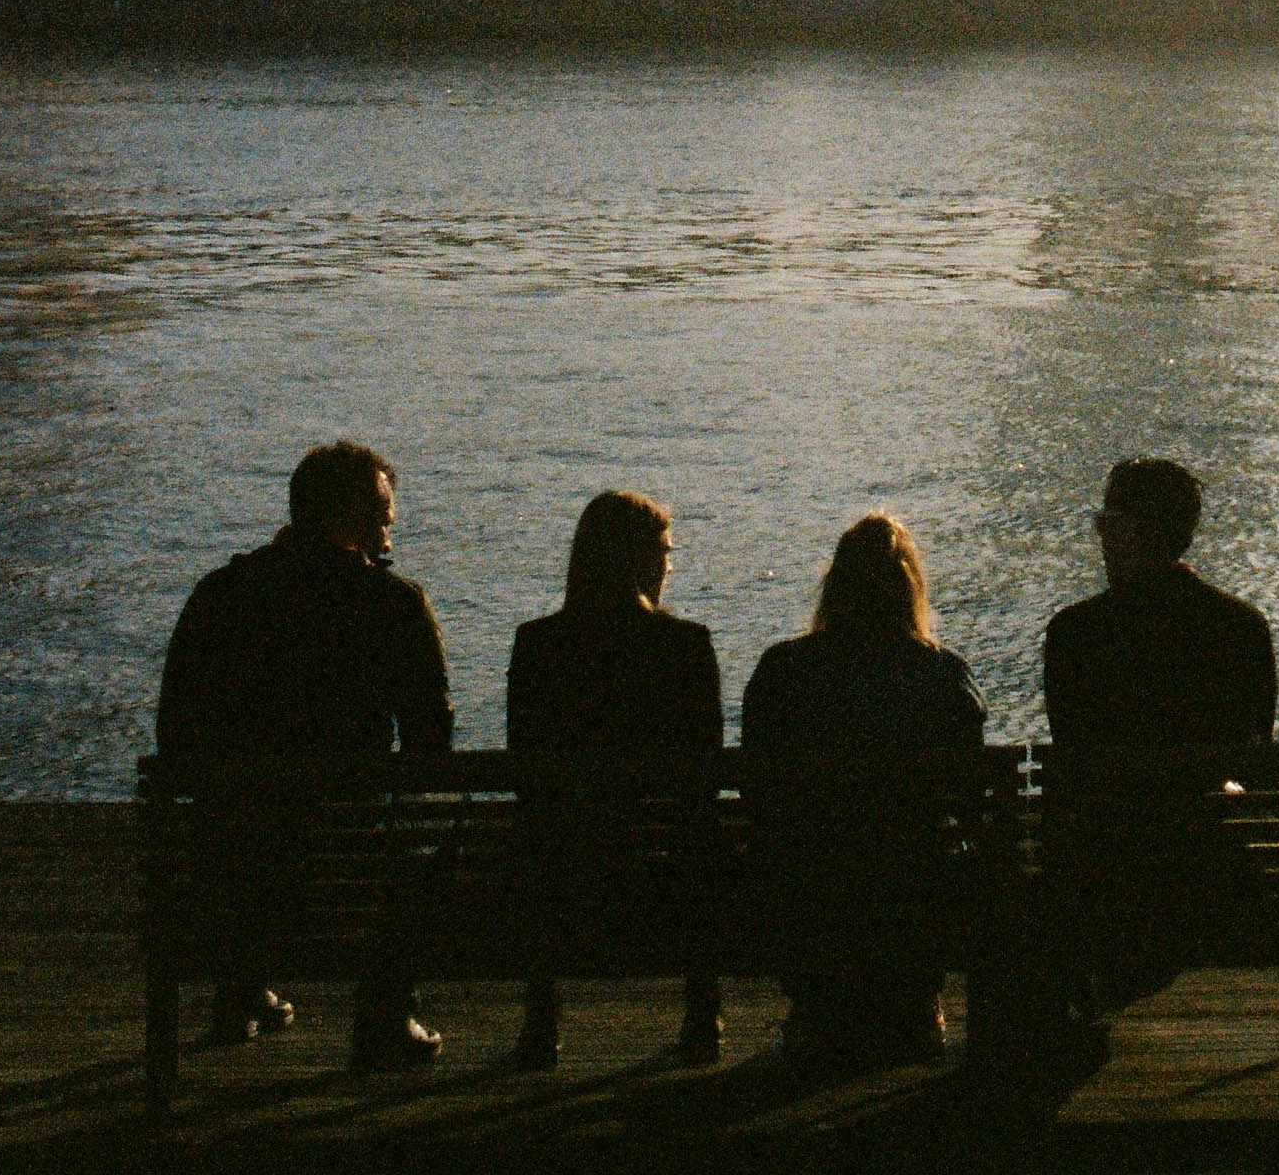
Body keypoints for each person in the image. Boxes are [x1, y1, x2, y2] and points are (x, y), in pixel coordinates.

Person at [155, 441, 453, 1070]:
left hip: (226, 864)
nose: (390, 524)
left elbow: (175, 737)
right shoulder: (393, 605)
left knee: (256, 826)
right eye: (381, 514)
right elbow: (432, 751)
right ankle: (383, 1015)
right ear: (350, 519)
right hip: (347, 863)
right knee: (415, 835)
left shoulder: (220, 595)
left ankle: (238, 988)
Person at [740, 514, 985, 1070]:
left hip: (808, 884)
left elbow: (759, 793)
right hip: (912, 883)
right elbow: (970, 797)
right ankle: (917, 1007)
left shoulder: (784, 670)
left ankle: (816, 1012)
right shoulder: (941, 675)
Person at [1041, 460, 1275, 1021]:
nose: (1099, 536)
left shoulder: (1074, 634)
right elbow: (1256, 752)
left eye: (1105, 522)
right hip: (1205, 871)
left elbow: (1072, 748)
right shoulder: (1241, 628)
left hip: (1103, 868)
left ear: (1130, 531)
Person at [506, 491, 723, 1071]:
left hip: (560, 880)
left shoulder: (537, 645)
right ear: (646, 561)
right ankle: (703, 1016)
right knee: (703, 840)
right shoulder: (685, 647)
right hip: (665, 880)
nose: (669, 566)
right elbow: (703, 779)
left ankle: (541, 1020)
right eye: (666, 553)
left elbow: (526, 771)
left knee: (541, 838)